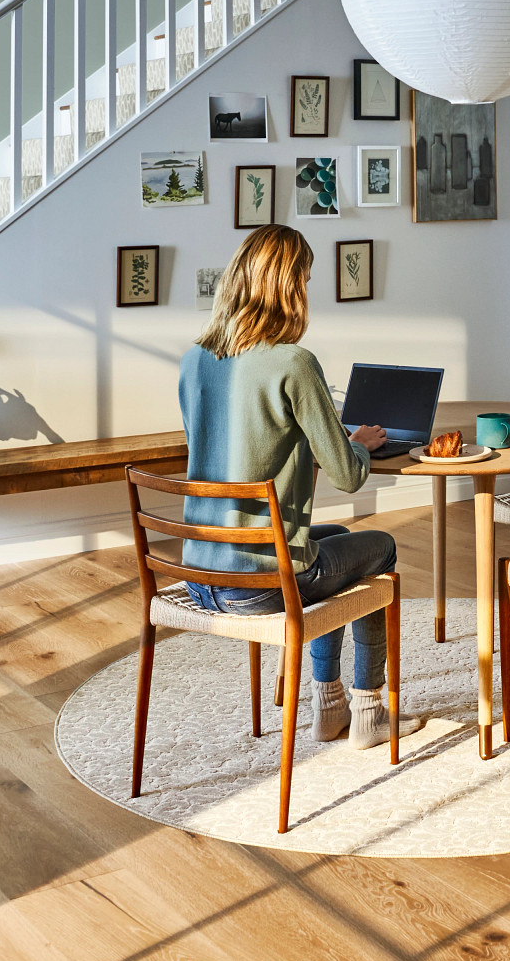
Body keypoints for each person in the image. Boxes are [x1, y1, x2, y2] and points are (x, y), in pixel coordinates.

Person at [178, 225, 423, 748]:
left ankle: (329, 707)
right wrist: (353, 440)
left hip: (201, 574)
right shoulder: (294, 361)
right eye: (306, 279)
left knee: (325, 538)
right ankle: (367, 713)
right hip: (259, 585)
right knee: (380, 548)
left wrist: (303, 440)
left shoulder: (195, 358)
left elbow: (234, 454)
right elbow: (350, 476)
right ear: (290, 287)